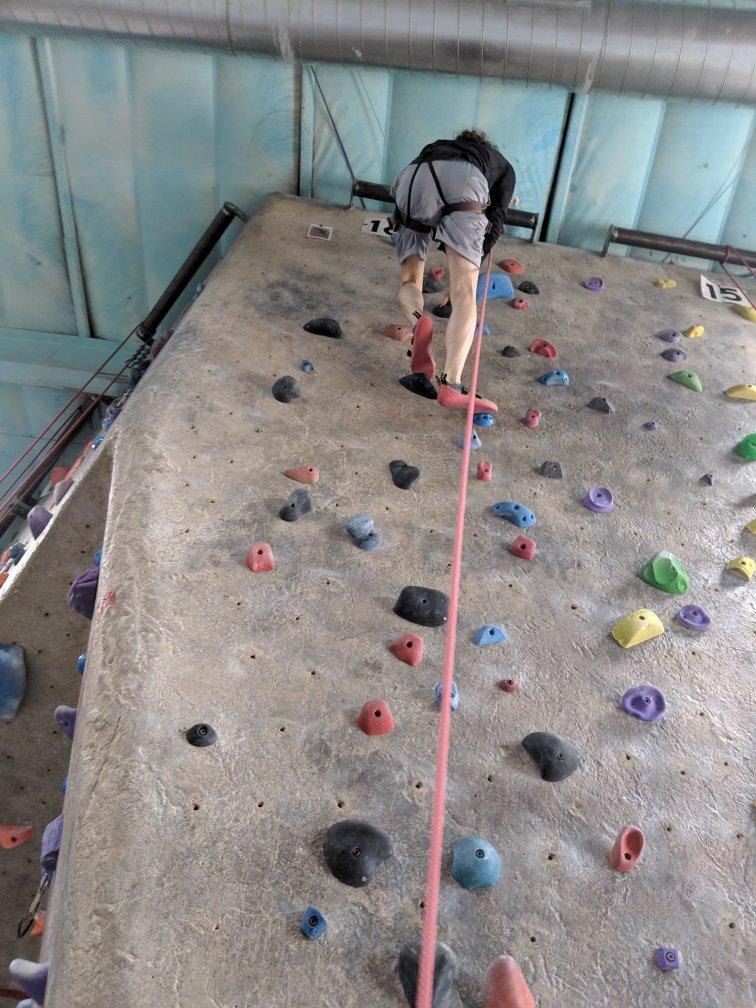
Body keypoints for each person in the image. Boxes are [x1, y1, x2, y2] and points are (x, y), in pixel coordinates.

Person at [390, 129, 516, 413]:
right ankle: (451, 385)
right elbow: (494, 221)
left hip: (413, 176)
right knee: (465, 294)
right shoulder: (501, 166)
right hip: (464, 182)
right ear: (485, 145)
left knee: (410, 278)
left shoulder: (437, 145)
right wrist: (470, 266)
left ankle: (417, 320)